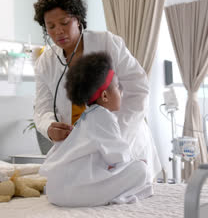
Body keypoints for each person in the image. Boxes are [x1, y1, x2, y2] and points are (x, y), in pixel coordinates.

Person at [33, 0, 161, 182]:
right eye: (50, 26)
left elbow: (139, 88)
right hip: (79, 146)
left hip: (125, 137)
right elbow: (42, 108)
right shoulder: (45, 63)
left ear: (78, 19)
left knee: (129, 196)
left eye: (64, 23)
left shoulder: (107, 43)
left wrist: (116, 137)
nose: (58, 31)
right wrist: (49, 127)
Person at [40, 52, 152, 207]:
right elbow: (118, 156)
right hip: (72, 193)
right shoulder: (104, 117)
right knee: (141, 170)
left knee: (132, 168)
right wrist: (135, 162)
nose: (121, 92)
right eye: (118, 87)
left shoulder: (87, 117)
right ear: (105, 96)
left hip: (55, 191)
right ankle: (118, 195)